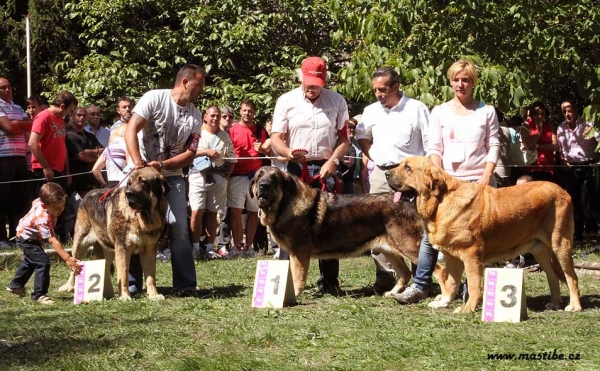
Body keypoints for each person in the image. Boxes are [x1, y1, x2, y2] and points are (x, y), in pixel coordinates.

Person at [407, 59, 499, 305]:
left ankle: (472, 291)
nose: (461, 84)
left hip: (478, 182)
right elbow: (435, 146)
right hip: (446, 185)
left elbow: (494, 146)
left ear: (473, 83)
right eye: (457, 79)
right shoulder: (439, 111)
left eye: (466, 79)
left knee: (475, 239)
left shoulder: (486, 111)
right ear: (450, 82)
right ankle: (420, 285)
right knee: (432, 236)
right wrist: (439, 176)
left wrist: (487, 175)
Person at [270, 56, 350, 295]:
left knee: (329, 226)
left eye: (317, 83)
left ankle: (329, 283)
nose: (312, 87)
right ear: (300, 78)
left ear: (324, 80)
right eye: (308, 82)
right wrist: (288, 153)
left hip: (327, 170)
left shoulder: (337, 101)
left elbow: (345, 139)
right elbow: (276, 138)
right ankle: (284, 284)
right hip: (296, 171)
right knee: (287, 223)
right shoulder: (286, 101)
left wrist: (334, 160)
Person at [125, 63, 206, 297]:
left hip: (172, 178)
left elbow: (191, 153)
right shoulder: (154, 98)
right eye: (199, 84)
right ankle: (133, 284)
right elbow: (132, 129)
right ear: (185, 82)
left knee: (179, 227)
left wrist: (161, 166)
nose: (201, 90)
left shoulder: (195, 115)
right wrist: (139, 164)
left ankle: (185, 284)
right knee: (136, 228)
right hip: (141, 178)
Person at [356, 67, 432, 296]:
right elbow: (362, 137)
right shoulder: (370, 111)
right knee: (377, 227)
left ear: (396, 87)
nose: (378, 94)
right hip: (382, 172)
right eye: (375, 90)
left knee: (415, 227)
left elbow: (430, 142)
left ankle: (421, 281)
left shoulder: (417, 108)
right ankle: (385, 278)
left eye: (383, 90)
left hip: (411, 176)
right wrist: (374, 158)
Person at [5, 182, 82, 305]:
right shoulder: (43, 218)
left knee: (30, 261)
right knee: (43, 262)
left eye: (62, 206)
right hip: (26, 239)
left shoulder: (42, 202)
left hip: (28, 236)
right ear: (45, 206)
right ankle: (39, 295)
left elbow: (35, 201)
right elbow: (52, 240)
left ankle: (15, 286)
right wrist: (67, 258)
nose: (60, 210)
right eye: (57, 208)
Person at [29, 90, 78, 242]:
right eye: (69, 110)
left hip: (60, 169)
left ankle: (59, 238)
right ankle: (41, 239)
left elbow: (61, 145)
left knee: (59, 206)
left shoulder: (60, 120)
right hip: (45, 170)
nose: (69, 114)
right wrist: (45, 167)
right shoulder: (43, 116)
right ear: (62, 105)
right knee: (45, 206)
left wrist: (67, 170)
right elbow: (32, 143)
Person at [189, 105, 235, 260]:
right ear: (205, 117)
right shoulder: (197, 133)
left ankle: (209, 247)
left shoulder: (225, 136)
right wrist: (205, 152)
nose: (215, 118)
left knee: (212, 213)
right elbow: (188, 154)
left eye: (217, 116)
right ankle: (195, 247)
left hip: (218, 176)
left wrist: (225, 178)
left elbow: (232, 158)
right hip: (198, 175)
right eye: (212, 116)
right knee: (196, 211)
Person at [226, 99, 271, 258]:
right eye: (244, 110)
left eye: (250, 111)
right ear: (240, 111)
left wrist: (264, 150)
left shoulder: (260, 129)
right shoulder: (231, 129)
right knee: (235, 212)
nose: (247, 113)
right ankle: (237, 246)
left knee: (253, 212)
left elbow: (268, 150)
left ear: (254, 112)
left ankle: (249, 246)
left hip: (256, 176)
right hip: (237, 175)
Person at [557, 100, 600, 240]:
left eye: (570, 111)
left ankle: (592, 231)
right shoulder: (560, 128)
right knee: (572, 199)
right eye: (564, 111)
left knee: (589, 198)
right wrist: (562, 161)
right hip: (571, 168)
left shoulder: (589, 124)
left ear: (576, 110)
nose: (567, 114)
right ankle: (577, 232)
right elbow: (560, 149)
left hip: (588, 166)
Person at [0, 77, 33, 249]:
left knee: (19, 200)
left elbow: (32, 124)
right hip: (3, 158)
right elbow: (9, 128)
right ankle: (1, 239)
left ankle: (16, 236)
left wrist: (16, 124)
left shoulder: (18, 107)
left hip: (20, 157)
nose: (7, 90)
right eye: (3, 88)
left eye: (9, 87)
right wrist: (20, 125)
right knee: (2, 200)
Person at [66, 107, 103, 198]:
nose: (81, 118)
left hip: (92, 179)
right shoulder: (70, 136)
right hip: (77, 180)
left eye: (84, 115)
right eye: (79, 115)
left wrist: (87, 151)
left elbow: (104, 151)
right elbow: (82, 156)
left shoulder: (90, 136)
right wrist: (98, 157)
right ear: (73, 117)